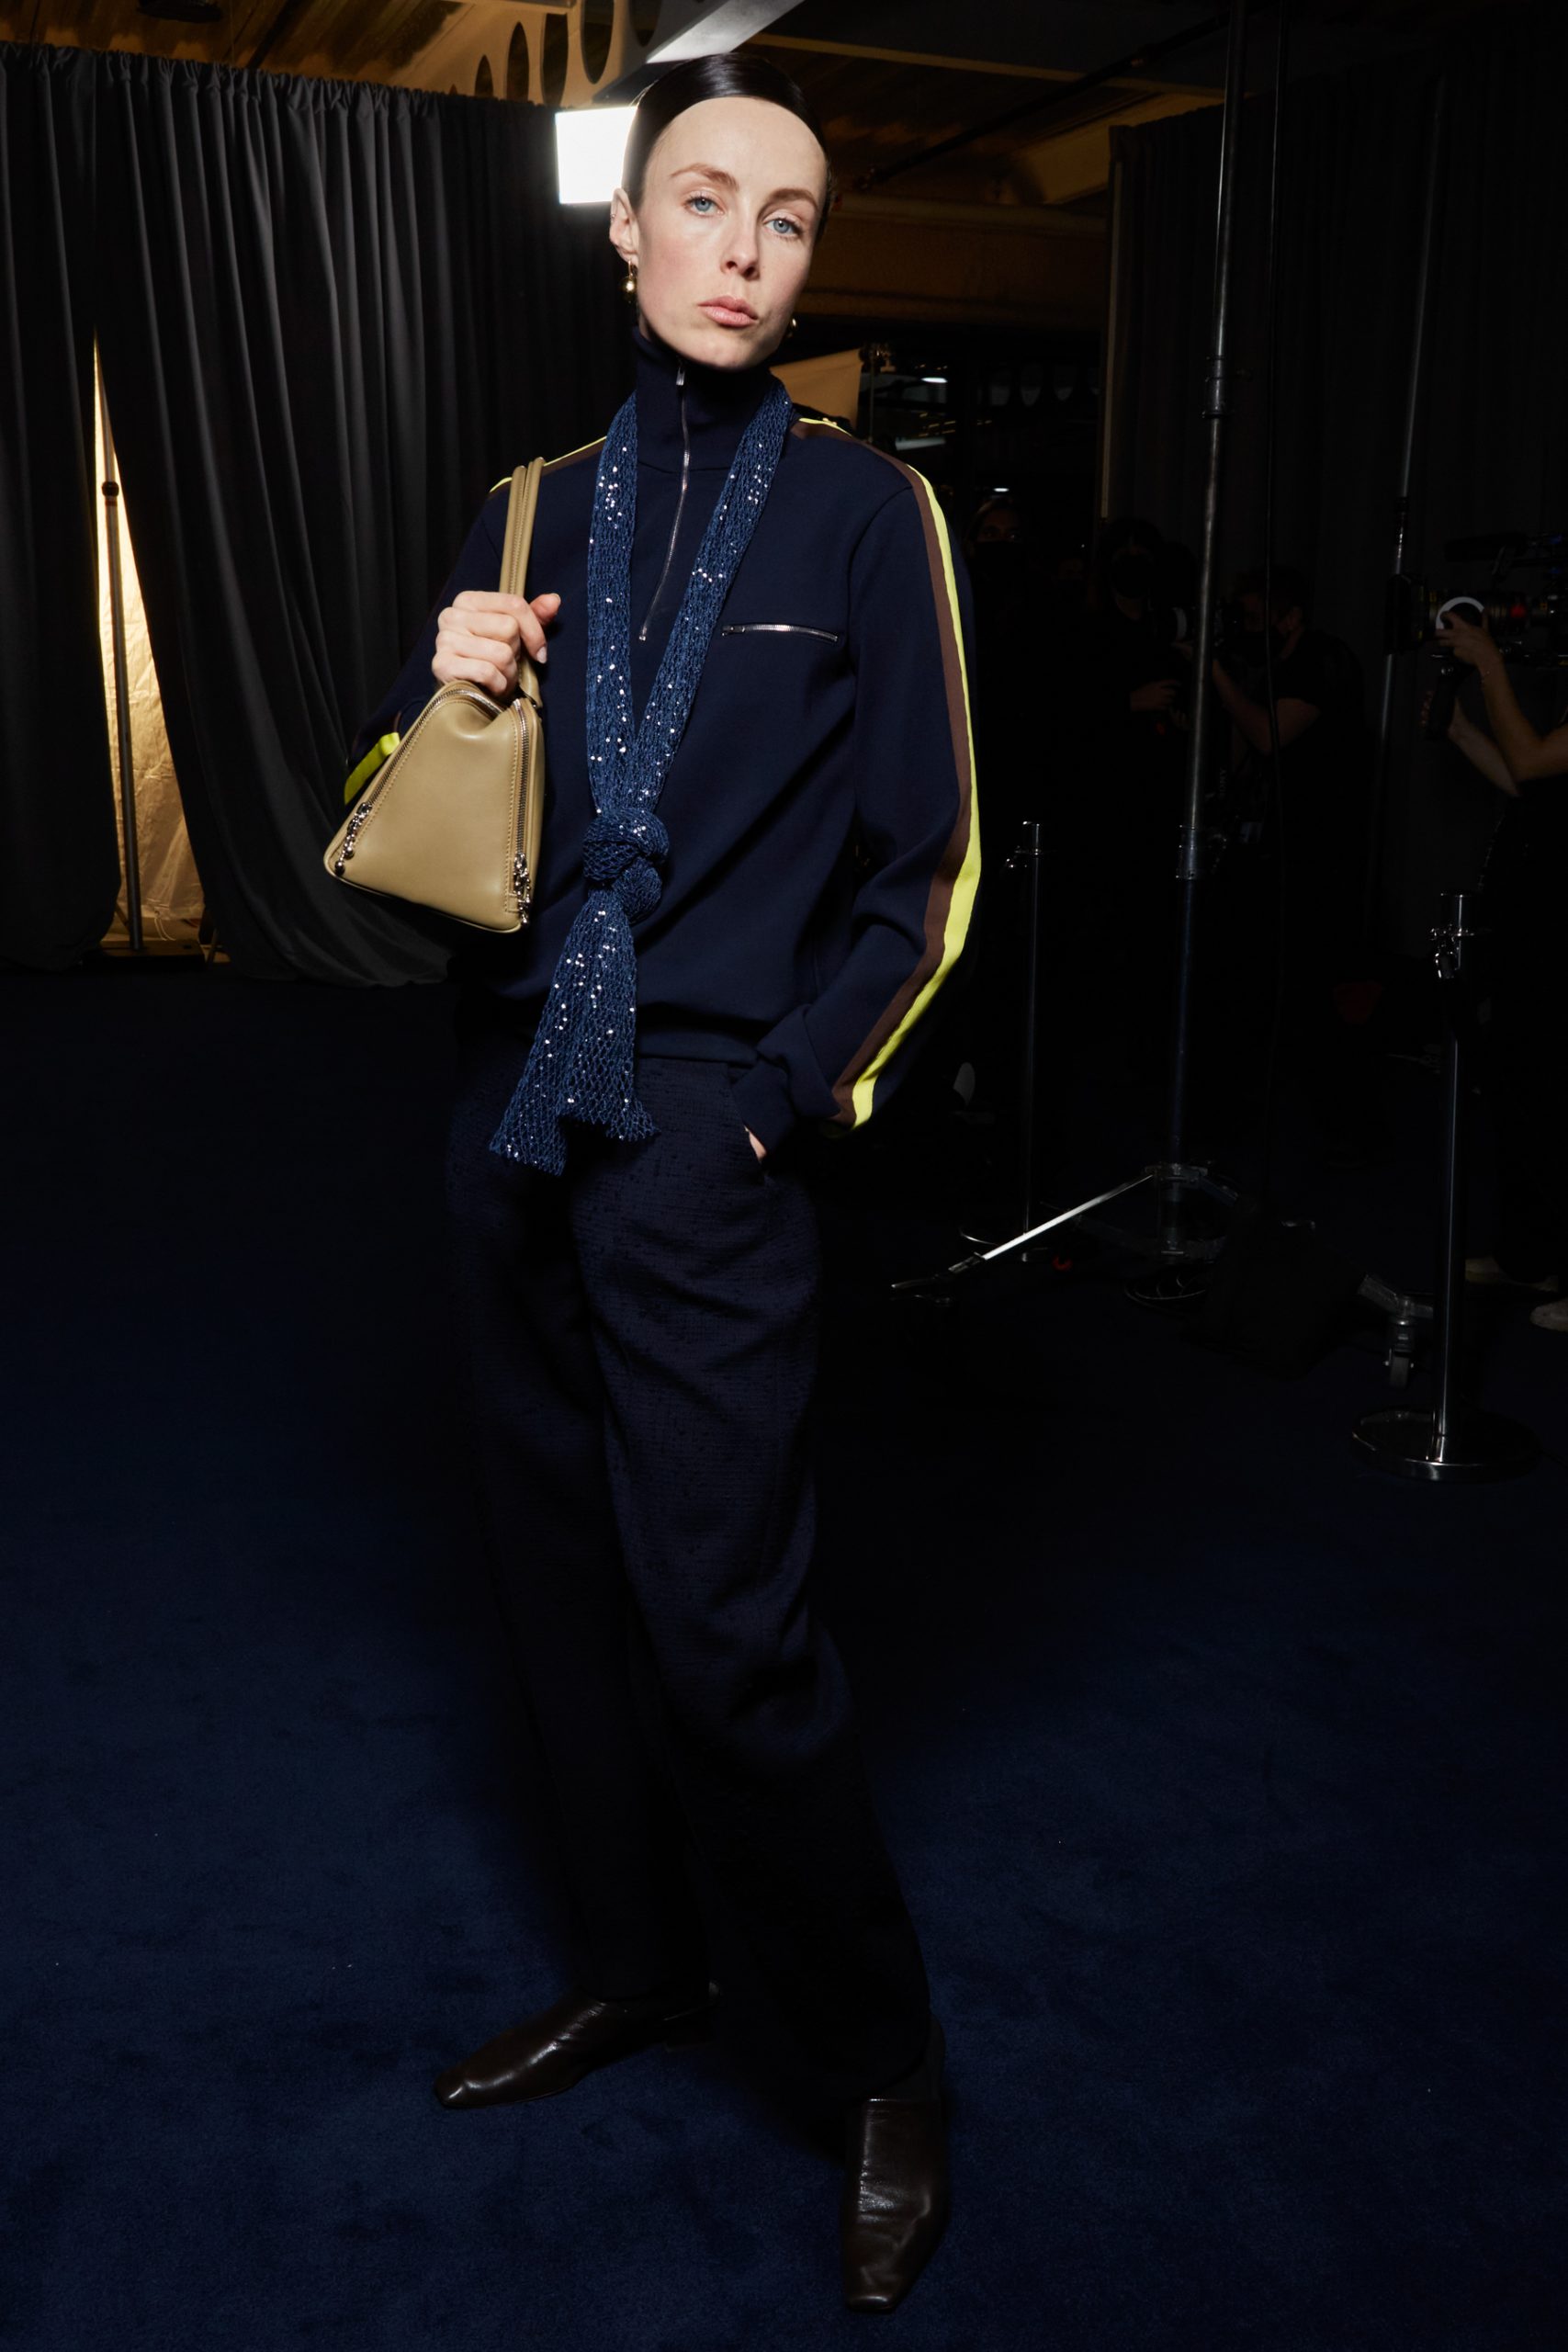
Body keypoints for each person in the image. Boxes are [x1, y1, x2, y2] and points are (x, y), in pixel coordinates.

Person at [341, 53, 978, 2312]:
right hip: (508, 1111)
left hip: (705, 1132)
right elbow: (413, 834)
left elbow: (925, 875)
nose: (740, 247)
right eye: (700, 201)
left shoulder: (865, 514)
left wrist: (772, 1105)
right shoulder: (520, 508)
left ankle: (883, 2058)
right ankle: (637, 1961)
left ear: (804, 265)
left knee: (728, 1631)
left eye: (784, 219)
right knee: (555, 1589)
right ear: (623, 232)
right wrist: (434, 687)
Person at [1429, 607, 1568, 1329]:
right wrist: (1458, 727)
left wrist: (1488, 665)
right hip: (1536, 924)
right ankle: (1527, 1256)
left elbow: (1535, 761)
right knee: (1523, 1092)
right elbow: (1529, 783)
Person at [1205, 566, 1374, 1157]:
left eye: (1257, 618)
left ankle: (1349, 1136)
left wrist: (1213, 672)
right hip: (1276, 850)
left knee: (1315, 992)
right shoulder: (1272, 665)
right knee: (1263, 987)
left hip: (1320, 856)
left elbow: (1267, 736)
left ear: (1292, 616)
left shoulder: (1323, 661)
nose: (1249, 628)